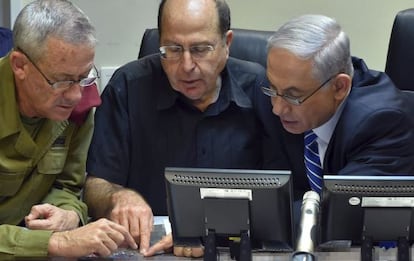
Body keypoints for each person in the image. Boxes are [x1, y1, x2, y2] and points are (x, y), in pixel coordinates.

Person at [84, 0, 288, 257]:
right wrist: (117, 196)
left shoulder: (263, 91)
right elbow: (94, 186)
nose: (187, 66)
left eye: (201, 49)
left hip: (235, 249)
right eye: (173, 49)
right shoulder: (128, 87)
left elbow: (283, 195)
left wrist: (211, 228)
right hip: (150, 250)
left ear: (227, 44)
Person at [0, 0, 138, 258]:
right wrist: (54, 243)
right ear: (19, 65)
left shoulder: (76, 106)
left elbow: (68, 185)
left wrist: (68, 214)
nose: (76, 95)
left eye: (84, 76)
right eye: (63, 80)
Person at [263, 14, 414, 195]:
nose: (277, 108)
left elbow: (343, 211)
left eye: (293, 96)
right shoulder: (279, 86)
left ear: (339, 87)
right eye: (272, 89)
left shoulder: (383, 123)